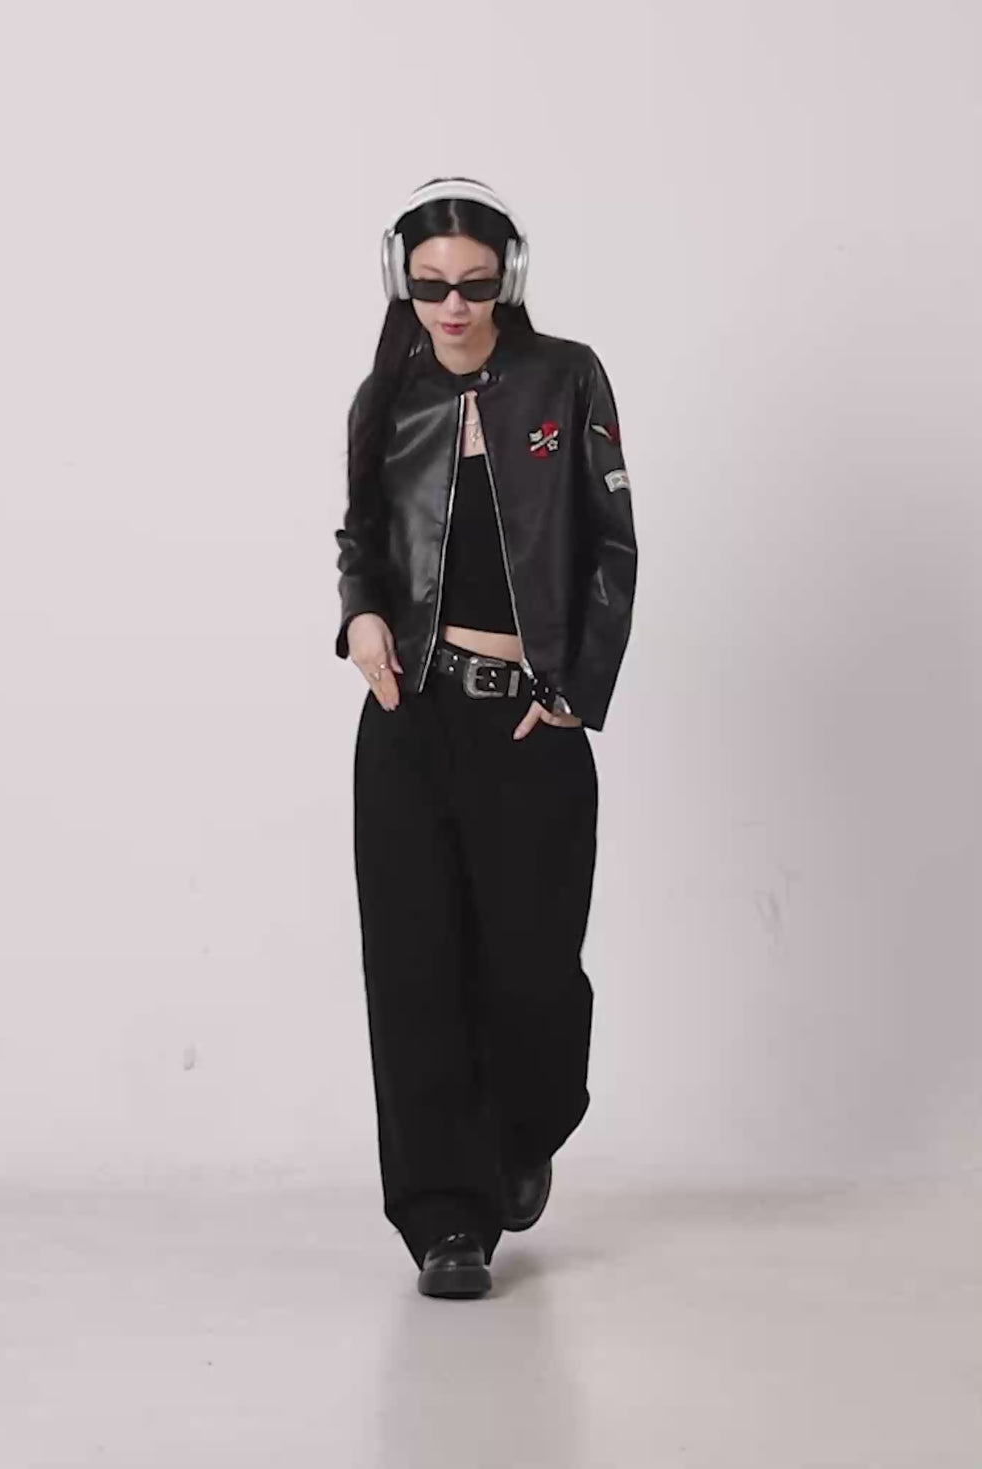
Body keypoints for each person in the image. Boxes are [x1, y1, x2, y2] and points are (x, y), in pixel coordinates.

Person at [334, 176, 638, 1298]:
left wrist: (574, 689)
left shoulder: (567, 376)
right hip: (408, 717)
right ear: (402, 284)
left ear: (508, 277)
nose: (453, 306)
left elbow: (612, 543)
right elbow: (361, 537)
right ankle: (446, 1220)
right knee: (415, 969)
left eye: (472, 283)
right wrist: (360, 616)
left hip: (528, 717)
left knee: (535, 972)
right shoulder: (387, 397)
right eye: (430, 287)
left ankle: (527, 1126)